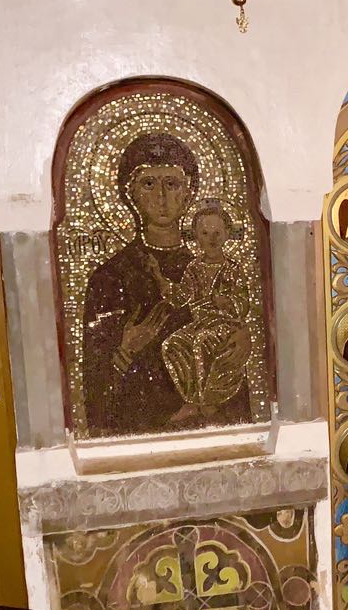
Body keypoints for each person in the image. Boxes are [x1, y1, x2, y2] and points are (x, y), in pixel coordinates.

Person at [81, 133, 250, 435]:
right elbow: (95, 381)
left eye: (172, 184)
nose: (161, 197)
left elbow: (231, 314)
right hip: (140, 428)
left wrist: (241, 337)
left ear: (188, 193)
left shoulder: (209, 265)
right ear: (130, 193)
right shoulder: (110, 276)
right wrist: (124, 349)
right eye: (148, 183)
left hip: (212, 431)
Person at [160, 204, 254, 425]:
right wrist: (165, 286)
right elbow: (182, 296)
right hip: (200, 323)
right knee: (172, 344)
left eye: (217, 233)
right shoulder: (194, 268)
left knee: (201, 343)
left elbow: (243, 303)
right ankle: (192, 399)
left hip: (225, 325)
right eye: (205, 233)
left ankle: (207, 402)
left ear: (227, 235)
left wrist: (227, 303)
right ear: (196, 236)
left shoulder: (232, 269)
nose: (211, 239)